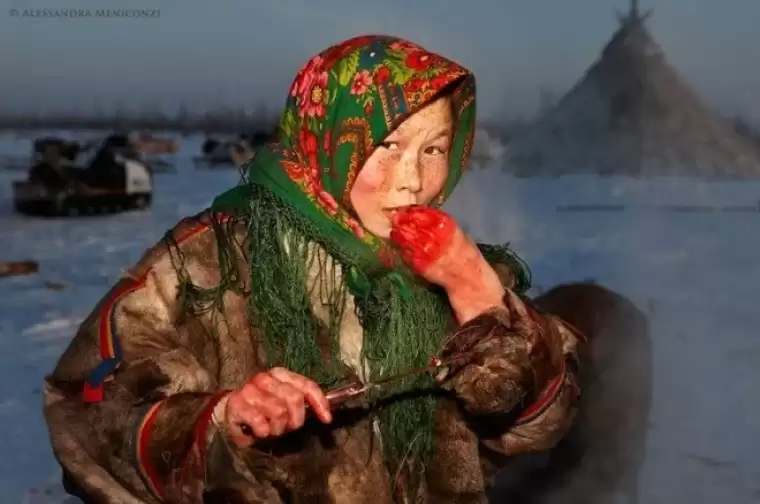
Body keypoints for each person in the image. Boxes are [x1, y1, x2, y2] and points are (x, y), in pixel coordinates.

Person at [43, 35, 582, 504]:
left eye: (434, 148)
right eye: (388, 145)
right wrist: (221, 421)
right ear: (329, 135)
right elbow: (85, 413)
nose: (413, 180)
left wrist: (477, 294)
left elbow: (544, 423)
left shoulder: (448, 262)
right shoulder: (211, 260)